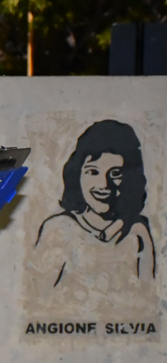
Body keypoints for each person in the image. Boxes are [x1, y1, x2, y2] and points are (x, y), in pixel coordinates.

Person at [36, 120, 155, 286]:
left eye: (115, 173)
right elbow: (39, 292)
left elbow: (147, 291)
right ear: (77, 174)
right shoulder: (58, 228)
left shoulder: (137, 231)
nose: (104, 184)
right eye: (93, 172)